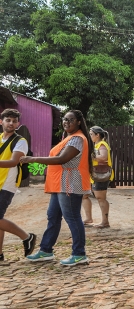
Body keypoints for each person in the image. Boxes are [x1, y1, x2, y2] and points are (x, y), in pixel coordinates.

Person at [24, 110, 92, 266]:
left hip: (69, 185)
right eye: (65, 119)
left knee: (73, 218)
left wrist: (32, 159)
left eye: (71, 120)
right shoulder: (68, 138)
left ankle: (79, 254)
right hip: (60, 184)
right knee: (53, 216)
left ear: (79, 122)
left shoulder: (77, 139)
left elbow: (62, 159)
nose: (66, 122)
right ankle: (46, 250)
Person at [0, 109, 36, 261]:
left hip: (7, 184)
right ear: (1, 121)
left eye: (14, 121)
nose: (11, 123)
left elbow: (14, 161)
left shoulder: (20, 141)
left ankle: (26, 237)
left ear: (18, 124)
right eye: (8, 120)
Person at [82, 126, 114, 228]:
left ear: (97, 135)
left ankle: (105, 222)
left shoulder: (102, 144)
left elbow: (103, 157)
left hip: (100, 175)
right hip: (94, 175)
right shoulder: (96, 145)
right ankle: (88, 219)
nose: (90, 136)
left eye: (91, 134)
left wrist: (90, 156)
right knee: (84, 196)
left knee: (101, 198)